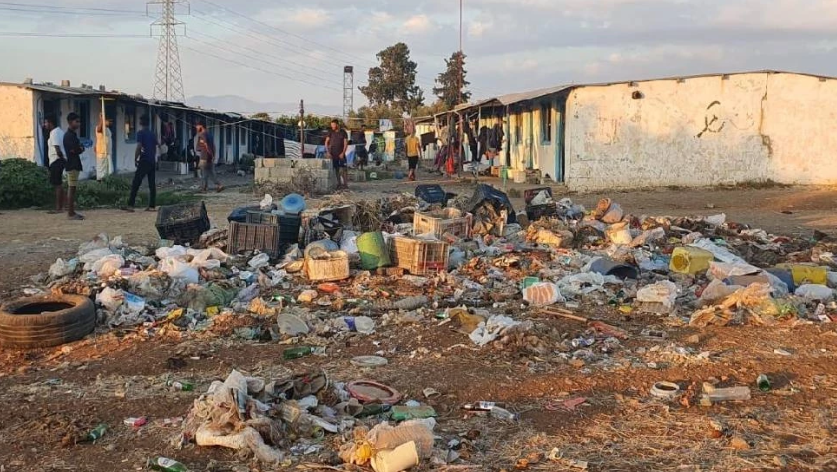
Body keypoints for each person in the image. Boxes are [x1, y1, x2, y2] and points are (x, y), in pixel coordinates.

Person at [123, 115, 158, 212]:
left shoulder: (140, 133)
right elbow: (155, 147)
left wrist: (135, 158)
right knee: (152, 184)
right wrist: (153, 157)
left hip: (144, 160)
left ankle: (130, 205)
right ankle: (152, 206)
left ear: (141, 123)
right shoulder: (152, 134)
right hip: (151, 160)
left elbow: (139, 146)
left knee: (136, 182)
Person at [62, 113, 85, 220]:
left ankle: (71, 211)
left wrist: (79, 148)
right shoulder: (69, 136)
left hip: (74, 163)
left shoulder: (72, 135)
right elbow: (74, 150)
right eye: (77, 121)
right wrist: (80, 149)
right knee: (71, 188)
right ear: (70, 122)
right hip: (72, 163)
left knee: (73, 188)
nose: (79, 123)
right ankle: (70, 213)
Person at [44, 115, 66, 214]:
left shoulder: (54, 133)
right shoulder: (60, 132)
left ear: (50, 123)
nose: (44, 125)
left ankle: (58, 208)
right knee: (59, 184)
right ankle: (64, 205)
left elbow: (57, 148)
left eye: (45, 122)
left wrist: (60, 158)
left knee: (57, 184)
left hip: (56, 160)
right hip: (59, 160)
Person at [196, 121, 224, 192]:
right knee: (210, 172)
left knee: (204, 173)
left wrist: (207, 155)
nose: (196, 128)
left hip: (204, 156)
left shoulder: (202, 135)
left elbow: (204, 146)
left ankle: (204, 188)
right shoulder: (210, 135)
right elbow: (213, 146)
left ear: (201, 127)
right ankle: (210, 186)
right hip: (210, 156)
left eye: (197, 126)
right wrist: (213, 155)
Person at [325, 119, 348, 189]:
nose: (332, 127)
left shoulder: (343, 132)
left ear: (337, 125)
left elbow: (345, 143)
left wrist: (343, 153)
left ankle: (345, 184)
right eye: (331, 125)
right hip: (333, 154)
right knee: (336, 169)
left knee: (344, 169)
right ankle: (339, 184)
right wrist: (328, 152)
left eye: (333, 125)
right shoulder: (330, 132)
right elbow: (326, 142)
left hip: (341, 154)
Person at [95, 113, 113, 181]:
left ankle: (105, 187)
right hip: (102, 154)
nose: (111, 122)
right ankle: (100, 187)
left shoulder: (107, 129)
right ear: (105, 120)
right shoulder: (100, 127)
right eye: (109, 121)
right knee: (101, 174)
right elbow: (99, 130)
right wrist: (101, 119)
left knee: (107, 172)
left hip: (107, 153)